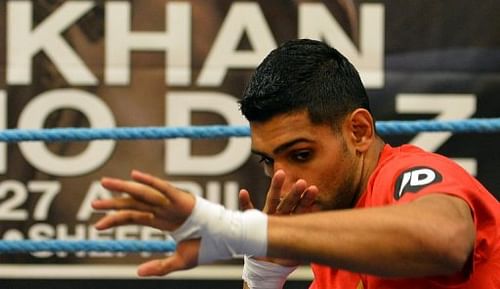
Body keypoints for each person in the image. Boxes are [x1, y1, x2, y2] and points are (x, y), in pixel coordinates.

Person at [92, 39, 500, 289]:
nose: (284, 179)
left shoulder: (403, 175)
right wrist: (262, 277)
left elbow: (445, 239)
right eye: (270, 161)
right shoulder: (333, 232)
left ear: (358, 131)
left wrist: (246, 229)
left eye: (301, 154)